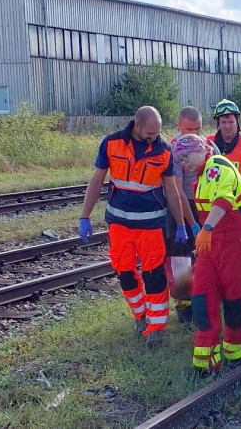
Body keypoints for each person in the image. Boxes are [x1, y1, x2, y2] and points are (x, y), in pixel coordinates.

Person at [78, 106, 187, 348]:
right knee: (124, 272)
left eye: (157, 132)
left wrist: (181, 224)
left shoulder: (164, 150)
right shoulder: (111, 143)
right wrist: (84, 216)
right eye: (150, 132)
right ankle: (140, 315)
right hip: (119, 224)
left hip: (151, 225)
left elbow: (171, 189)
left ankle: (156, 327)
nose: (154, 137)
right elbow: (97, 180)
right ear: (136, 125)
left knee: (154, 276)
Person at [189, 136, 241, 374]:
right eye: (179, 158)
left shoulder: (217, 165)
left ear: (201, 151)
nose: (182, 162)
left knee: (233, 298)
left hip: (236, 239)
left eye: (185, 156)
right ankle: (205, 360)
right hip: (212, 242)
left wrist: (206, 229)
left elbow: (224, 199)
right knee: (201, 296)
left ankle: (236, 351)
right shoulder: (200, 175)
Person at [165, 107, 220, 323]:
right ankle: (185, 309)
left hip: (205, 205)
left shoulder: (209, 146)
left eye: (198, 129)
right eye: (189, 129)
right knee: (181, 259)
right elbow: (177, 191)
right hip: (181, 206)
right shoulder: (175, 149)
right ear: (179, 125)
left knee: (207, 256)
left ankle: (208, 299)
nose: (194, 134)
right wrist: (188, 223)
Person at [206, 99, 241, 184]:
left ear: (237, 122)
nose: (227, 126)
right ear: (218, 123)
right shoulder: (208, 143)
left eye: (231, 122)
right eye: (224, 122)